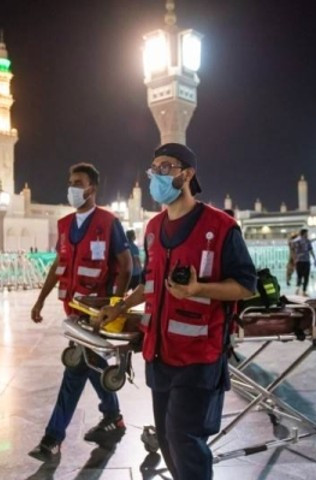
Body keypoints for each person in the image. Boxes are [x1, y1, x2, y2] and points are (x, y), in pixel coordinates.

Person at [96, 143, 257, 480]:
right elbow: (150, 281)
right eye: (154, 168)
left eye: (166, 167)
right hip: (159, 353)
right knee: (169, 439)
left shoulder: (221, 227)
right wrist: (120, 307)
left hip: (200, 354)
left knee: (184, 437)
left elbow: (245, 285)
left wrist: (201, 290)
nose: (157, 174)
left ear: (188, 174)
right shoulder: (153, 229)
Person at [28, 163, 133, 461]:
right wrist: (40, 300)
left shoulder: (108, 222)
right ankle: (113, 417)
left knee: (76, 369)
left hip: (97, 313)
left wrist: (115, 306)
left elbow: (126, 266)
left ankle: (52, 438)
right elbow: (57, 266)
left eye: (78, 182)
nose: (72, 187)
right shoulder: (64, 225)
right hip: (73, 311)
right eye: (70, 182)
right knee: (89, 362)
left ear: (92, 189)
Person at [291, 228, 316, 295]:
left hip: (299, 261)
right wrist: (314, 259)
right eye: (307, 233)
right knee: (306, 276)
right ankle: (304, 291)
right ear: (304, 233)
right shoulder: (307, 241)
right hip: (305, 261)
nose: (307, 234)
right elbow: (311, 251)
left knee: (299, 275)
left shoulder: (294, 241)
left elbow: (292, 251)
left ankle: (298, 288)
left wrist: (294, 259)